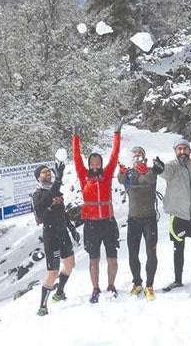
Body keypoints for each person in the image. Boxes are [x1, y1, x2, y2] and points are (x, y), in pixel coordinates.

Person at [152, 139, 191, 297]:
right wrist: (159, 168)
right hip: (179, 217)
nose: (182, 152)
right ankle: (177, 279)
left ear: (189, 150)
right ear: (175, 151)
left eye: (185, 149)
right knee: (178, 250)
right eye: (179, 149)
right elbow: (164, 171)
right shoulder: (172, 166)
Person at [72, 121, 122, 303]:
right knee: (94, 259)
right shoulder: (83, 175)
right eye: (92, 163)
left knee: (112, 258)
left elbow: (115, 155)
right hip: (91, 224)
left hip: (108, 221)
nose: (95, 166)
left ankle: (111, 285)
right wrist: (75, 137)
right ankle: (95, 289)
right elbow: (76, 156)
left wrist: (117, 134)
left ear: (101, 164)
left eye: (97, 163)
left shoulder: (107, 174)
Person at [34, 161, 79, 316]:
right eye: (44, 172)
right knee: (53, 272)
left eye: (49, 171)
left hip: (63, 233)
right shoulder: (38, 195)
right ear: (38, 178)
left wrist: (72, 229)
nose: (48, 173)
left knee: (69, 265)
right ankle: (43, 306)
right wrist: (58, 180)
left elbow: (62, 212)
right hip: (51, 236)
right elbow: (46, 200)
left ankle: (59, 292)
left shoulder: (56, 192)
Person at [117, 146, 158, 300]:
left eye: (139, 153)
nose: (136, 155)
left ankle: (149, 285)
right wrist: (122, 169)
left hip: (149, 218)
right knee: (133, 253)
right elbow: (120, 180)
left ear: (144, 156)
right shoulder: (127, 172)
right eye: (134, 153)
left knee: (151, 252)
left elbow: (152, 179)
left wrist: (143, 170)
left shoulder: (150, 170)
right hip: (133, 218)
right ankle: (137, 282)